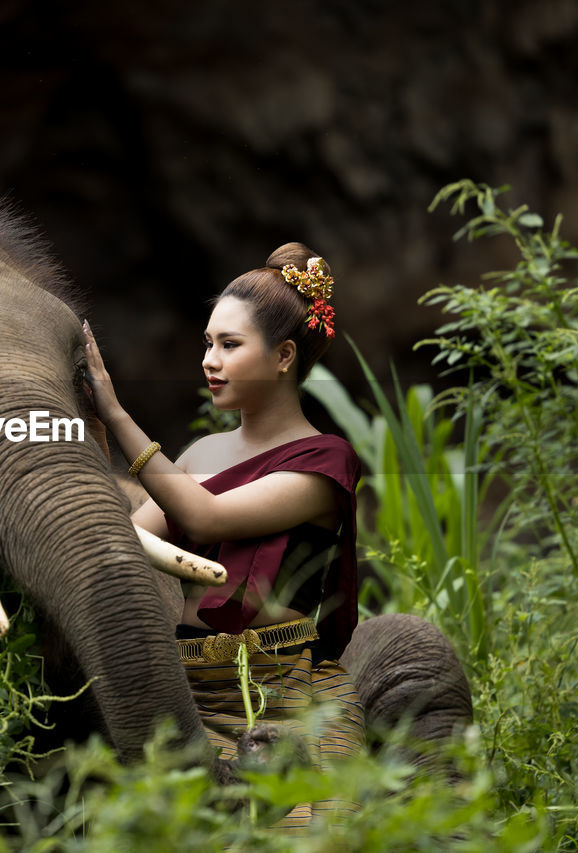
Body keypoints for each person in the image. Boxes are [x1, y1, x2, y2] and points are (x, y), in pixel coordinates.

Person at [83, 242, 364, 828]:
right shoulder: (202, 453)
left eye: (229, 345)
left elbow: (205, 517)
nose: (209, 360)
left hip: (280, 694)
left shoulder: (323, 462)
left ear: (284, 355)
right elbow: (130, 540)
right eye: (208, 344)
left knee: (299, 830)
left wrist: (115, 412)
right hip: (180, 687)